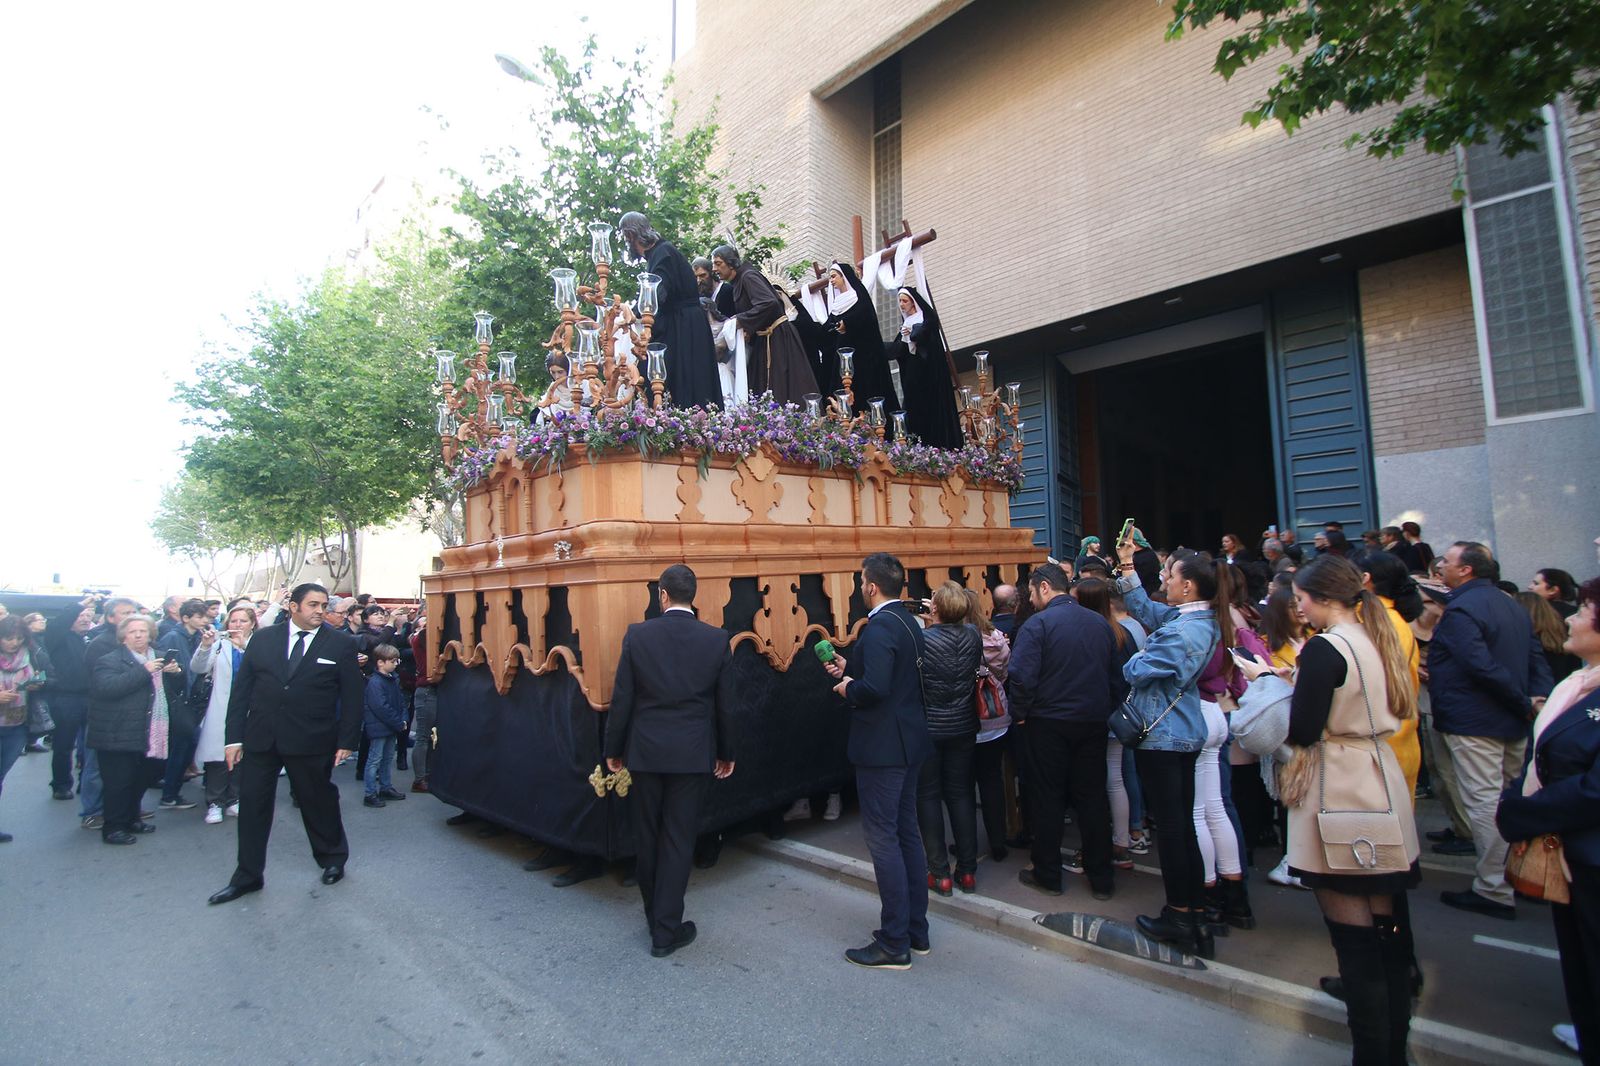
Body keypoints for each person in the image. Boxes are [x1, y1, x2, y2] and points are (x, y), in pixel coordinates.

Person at [1235, 555, 1421, 1064]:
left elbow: (1303, 729)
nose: (1299, 608)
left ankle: (1372, 1055)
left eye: (1302, 599)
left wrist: (1269, 686)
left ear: (1319, 599)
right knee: (1388, 938)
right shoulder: (1378, 636)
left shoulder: (1324, 649)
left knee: (1355, 945)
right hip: (1381, 778)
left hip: (1342, 787)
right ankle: (1394, 1052)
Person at [603, 564, 735, 958]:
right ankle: (666, 927)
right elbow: (726, 706)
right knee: (678, 840)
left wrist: (613, 748)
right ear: (694, 596)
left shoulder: (638, 635)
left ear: (662, 595)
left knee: (647, 837)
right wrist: (727, 753)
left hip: (645, 751)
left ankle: (653, 917)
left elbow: (623, 697)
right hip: (692, 753)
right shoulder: (716, 639)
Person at [208, 583, 365, 905]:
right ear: (293, 606)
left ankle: (333, 859)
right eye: (313, 604)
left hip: (312, 739)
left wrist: (347, 740)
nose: (320, 610)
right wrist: (233, 739)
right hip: (261, 739)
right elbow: (242, 692)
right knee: (252, 807)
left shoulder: (340, 644)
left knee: (317, 802)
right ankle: (248, 876)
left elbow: (352, 696)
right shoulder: (263, 640)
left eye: (323, 605)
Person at [1497, 577, 1600, 1065]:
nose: (1572, 619)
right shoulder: (1580, 684)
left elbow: (1594, 790)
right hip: (1571, 853)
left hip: (1588, 848)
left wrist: (1521, 812)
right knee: (1580, 957)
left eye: (1584, 612)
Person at [1431, 541, 1554, 919]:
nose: (1442, 568)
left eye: (1448, 563)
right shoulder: (1510, 604)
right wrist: (1537, 698)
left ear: (1466, 570)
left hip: (1477, 720)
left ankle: (1494, 889)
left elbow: (1479, 665)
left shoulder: (1463, 609)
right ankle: (1515, 878)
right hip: (1508, 718)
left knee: (1485, 804)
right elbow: (1535, 657)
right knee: (1506, 799)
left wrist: (1524, 700)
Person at [822, 552, 933, 969]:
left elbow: (877, 688)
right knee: (907, 834)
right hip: (909, 741)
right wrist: (851, 667)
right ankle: (915, 931)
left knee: (884, 838)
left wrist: (848, 689)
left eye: (860, 581)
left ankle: (894, 941)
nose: (859, 587)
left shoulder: (882, 625)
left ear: (870, 585)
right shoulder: (907, 620)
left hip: (884, 747)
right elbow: (894, 672)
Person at [1112, 535, 1221, 957]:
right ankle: (1193, 913)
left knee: (1174, 831)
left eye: (1171, 575)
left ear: (1188, 585)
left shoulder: (1187, 630)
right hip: (1179, 730)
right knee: (1180, 827)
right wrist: (1125, 566)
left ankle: (1180, 916)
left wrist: (1137, 656)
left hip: (1165, 736)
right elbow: (1147, 610)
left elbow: (1136, 669)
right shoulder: (1193, 619)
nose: (1165, 579)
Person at [1010, 563, 1128, 901]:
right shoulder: (1100, 624)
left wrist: (1020, 714)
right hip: (1091, 721)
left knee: (1047, 798)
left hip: (1048, 722)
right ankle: (1101, 876)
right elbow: (1116, 678)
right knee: (1092, 797)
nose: (1031, 599)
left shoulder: (1039, 625)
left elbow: (1020, 676)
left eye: (1032, 592)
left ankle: (1048, 874)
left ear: (1045, 588)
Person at [88, 617, 178, 846]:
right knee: (119, 782)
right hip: (117, 731)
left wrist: (176, 673)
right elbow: (107, 688)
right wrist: (144, 671)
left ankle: (131, 818)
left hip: (151, 731)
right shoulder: (109, 660)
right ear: (123, 636)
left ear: (151, 634)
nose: (138, 635)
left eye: (143, 631)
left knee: (143, 777)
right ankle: (113, 827)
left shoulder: (158, 656)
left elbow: (173, 692)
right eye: (132, 632)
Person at [916, 582, 982, 895]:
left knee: (928, 796)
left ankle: (939, 872)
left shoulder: (922, 640)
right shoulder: (973, 635)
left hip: (930, 726)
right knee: (961, 794)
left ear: (936, 609)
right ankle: (967, 871)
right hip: (963, 725)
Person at [617, 212, 721, 409]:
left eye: (625, 238)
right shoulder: (660, 252)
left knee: (668, 379)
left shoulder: (663, 253)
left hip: (683, 328)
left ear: (631, 235)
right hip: (681, 323)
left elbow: (657, 294)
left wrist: (632, 313)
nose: (626, 243)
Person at [712, 244, 820, 405]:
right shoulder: (739, 281)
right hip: (767, 338)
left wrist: (741, 321)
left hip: (778, 338)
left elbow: (769, 304)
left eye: (718, 263)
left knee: (783, 386)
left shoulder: (748, 277)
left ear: (731, 262)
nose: (714, 268)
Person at [962, 586, 1013, 862]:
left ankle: (967, 844)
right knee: (992, 782)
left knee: (964, 787)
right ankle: (998, 842)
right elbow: (1004, 673)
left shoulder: (955, 639)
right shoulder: (995, 637)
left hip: (967, 721)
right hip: (995, 717)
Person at [192, 604, 255, 824]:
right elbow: (198, 668)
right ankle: (214, 802)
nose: (237, 625)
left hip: (249, 709)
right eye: (234, 621)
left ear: (252, 624)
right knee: (218, 758)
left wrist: (244, 647)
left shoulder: (256, 646)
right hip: (222, 708)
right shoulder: (218, 645)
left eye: (243, 621)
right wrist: (205, 646)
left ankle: (233, 799)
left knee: (242, 757)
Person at [886, 286, 962, 448]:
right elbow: (900, 348)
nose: (902, 304)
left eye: (905, 301)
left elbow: (924, 338)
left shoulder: (924, 319)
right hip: (913, 377)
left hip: (929, 375)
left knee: (932, 410)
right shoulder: (905, 324)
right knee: (914, 409)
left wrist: (912, 333)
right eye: (900, 301)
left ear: (913, 302)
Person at [155, 598, 210, 810]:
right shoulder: (171, 637)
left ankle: (171, 791)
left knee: (186, 745)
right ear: (186, 617)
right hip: (177, 700)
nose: (204, 620)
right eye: (199, 616)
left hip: (192, 699)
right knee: (181, 746)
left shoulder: (199, 637)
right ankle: (170, 794)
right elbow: (164, 670)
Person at [0, 615, 51, 841]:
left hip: (17, 724)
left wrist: (37, 684)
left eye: (19, 638)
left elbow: (49, 677)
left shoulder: (31, 655)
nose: (13, 643)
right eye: (8, 638)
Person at [43, 600, 95, 802]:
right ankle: (61, 784)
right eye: (79, 616)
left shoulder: (88, 639)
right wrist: (80, 604)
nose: (84, 620)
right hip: (65, 697)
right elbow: (57, 623)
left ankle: (87, 782)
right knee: (64, 744)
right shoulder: (58, 637)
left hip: (89, 697)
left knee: (90, 744)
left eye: (88, 617)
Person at [362, 644, 409, 808]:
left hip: (390, 725)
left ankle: (385, 787)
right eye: (393, 661)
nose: (396, 664)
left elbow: (401, 701)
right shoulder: (375, 682)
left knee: (387, 758)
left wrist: (402, 719)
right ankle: (369, 793)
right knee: (375, 759)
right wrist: (398, 721)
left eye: (397, 660)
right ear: (380, 662)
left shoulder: (392, 678)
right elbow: (380, 707)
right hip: (380, 726)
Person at [409, 615, 436, 793]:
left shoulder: (425, 636)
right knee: (423, 736)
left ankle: (425, 775)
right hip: (427, 690)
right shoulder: (425, 636)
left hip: (429, 690)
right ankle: (420, 779)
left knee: (427, 736)